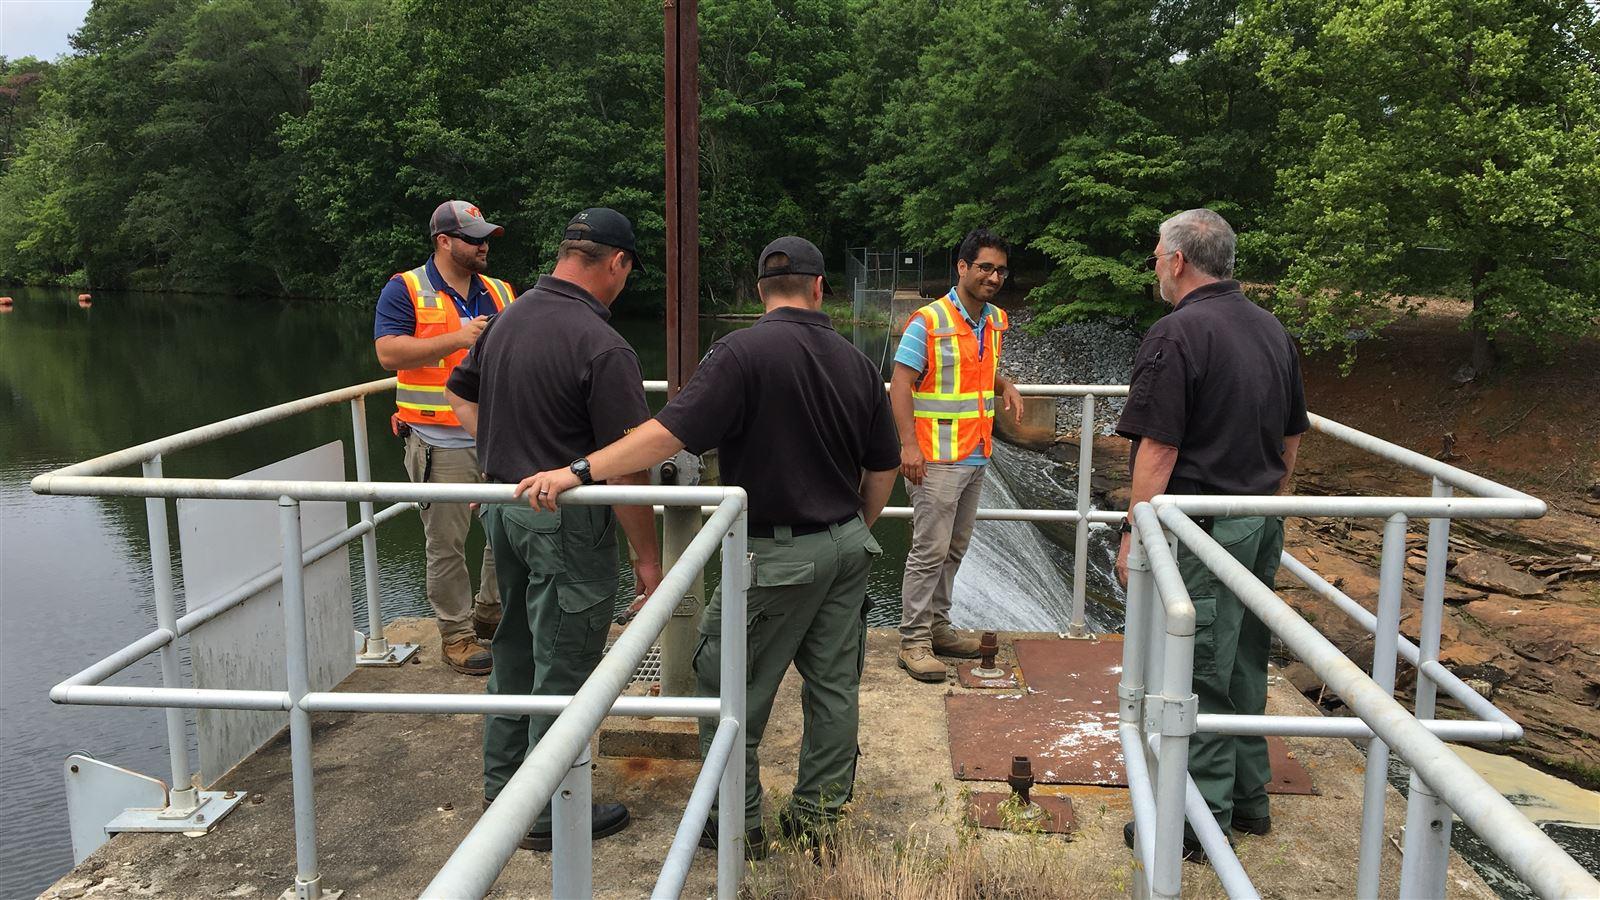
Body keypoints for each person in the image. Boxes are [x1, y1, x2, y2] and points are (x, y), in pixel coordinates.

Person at [518, 236, 900, 859]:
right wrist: (855, 524)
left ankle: (734, 825)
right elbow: (882, 467)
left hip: (775, 558)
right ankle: (817, 823)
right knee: (833, 690)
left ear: (760, 291)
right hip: (847, 549)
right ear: (819, 288)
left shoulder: (742, 353)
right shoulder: (856, 363)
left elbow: (664, 435)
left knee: (722, 687)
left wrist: (579, 471)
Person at [443, 207, 663, 851]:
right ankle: (545, 812)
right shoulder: (602, 345)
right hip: (564, 524)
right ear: (617, 263)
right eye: (627, 273)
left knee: (513, 649)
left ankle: (503, 789)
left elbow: (458, 391)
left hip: (506, 512)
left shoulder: (509, 318)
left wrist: (498, 448)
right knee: (565, 662)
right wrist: (648, 563)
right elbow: (627, 469)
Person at [1114, 208, 1309, 862]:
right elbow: (1290, 436)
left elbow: (1159, 451)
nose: (1154, 267)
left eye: (1155, 256)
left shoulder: (1178, 334)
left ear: (1177, 261)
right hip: (1259, 519)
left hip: (1202, 526)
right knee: (1247, 659)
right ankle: (1250, 800)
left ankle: (1198, 823)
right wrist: (1272, 507)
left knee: (1195, 671)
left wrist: (1136, 538)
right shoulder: (1270, 329)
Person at [373, 200, 516, 676]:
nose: (482, 247)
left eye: (485, 238)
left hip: (495, 435)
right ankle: (456, 635)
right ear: (444, 241)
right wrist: (456, 339)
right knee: (447, 543)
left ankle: (491, 612)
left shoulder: (500, 291)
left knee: (507, 530)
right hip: (438, 440)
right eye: (473, 238)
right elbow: (389, 353)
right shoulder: (405, 289)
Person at [889, 227, 1024, 683]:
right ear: (962, 267)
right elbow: (901, 384)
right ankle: (913, 641)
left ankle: (939, 628)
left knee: (955, 547)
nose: (994, 276)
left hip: (975, 453)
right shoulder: (927, 321)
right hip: (936, 457)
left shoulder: (995, 321)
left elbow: (977, 367)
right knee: (928, 550)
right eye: (985, 266)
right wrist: (908, 446)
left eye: (1001, 269)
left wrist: (1003, 384)